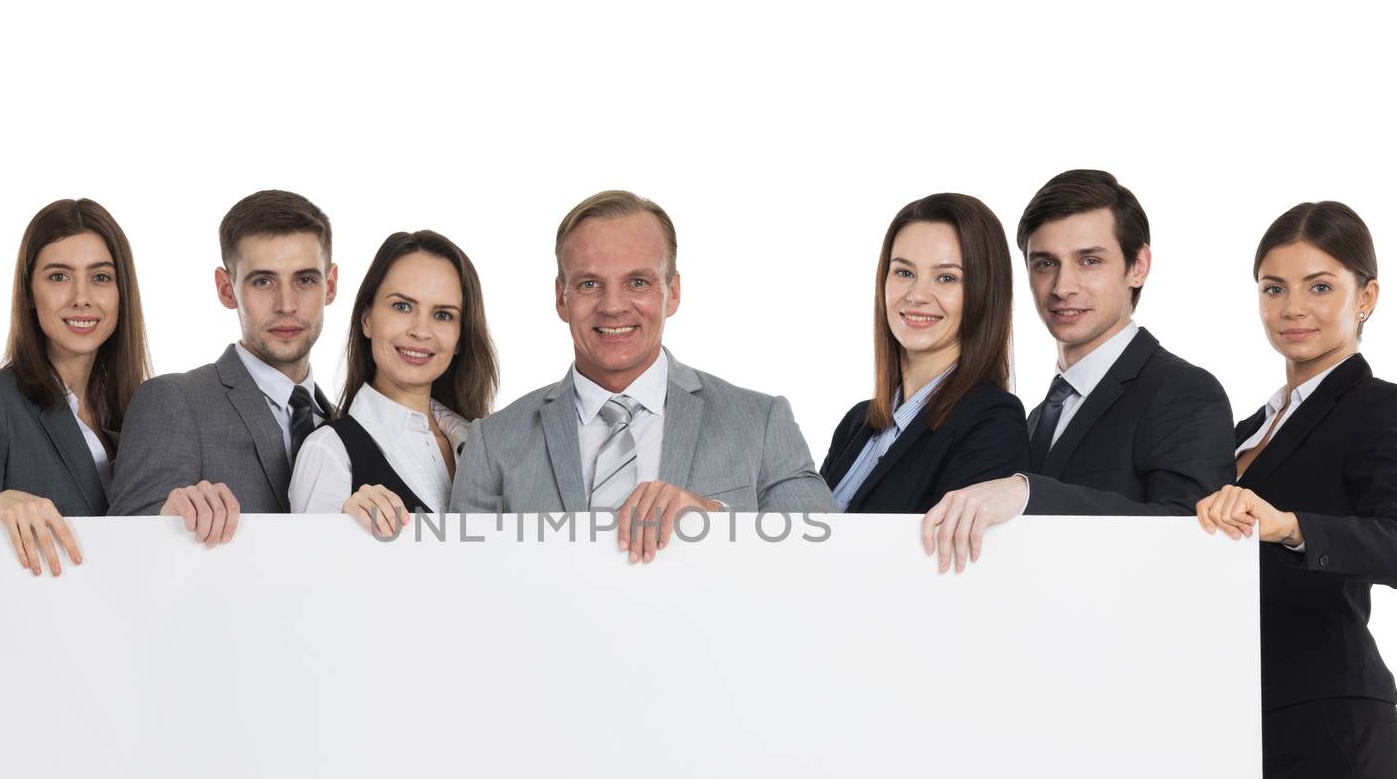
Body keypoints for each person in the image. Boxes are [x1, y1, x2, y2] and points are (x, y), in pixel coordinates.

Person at [1195, 201, 1397, 779]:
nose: (1294, 308)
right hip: (1249, 728)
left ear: (1367, 296)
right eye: (1273, 288)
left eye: (1320, 286)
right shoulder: (1251, 426)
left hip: (1333, 723)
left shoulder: (1375, 407)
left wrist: (1291, 525)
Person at [448, 189, 835, 562]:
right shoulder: (493, 444)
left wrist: (713, 521)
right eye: (589, 284)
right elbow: (465, 590)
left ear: (674, 291)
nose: (613, 306)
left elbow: (826, 553)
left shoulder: (761, 423)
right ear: (560, 298)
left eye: (637, 282)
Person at [920, 169, 1233, 571]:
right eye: (1045, 263)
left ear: (1138, 265)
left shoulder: (1184, 392)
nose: (1062, 286)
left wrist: (1028, 495)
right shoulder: (1036, 416)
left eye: (1089, 261)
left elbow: (1191, 537)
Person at [108, 189, 337, 544]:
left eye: (305, 279)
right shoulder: (173, 402)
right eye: (263, 281)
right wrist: (164, 519)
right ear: (226, 289)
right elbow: (120, 547)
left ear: (331, 285)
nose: (286, 304)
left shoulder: (342, 425)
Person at [0, 198, 152, 574]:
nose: (81, 297)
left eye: (101, 277)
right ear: (28, 292)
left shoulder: (145, 409)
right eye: (59, 276)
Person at [821, 193, 1027, 512]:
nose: (917, 295)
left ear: (983, 294)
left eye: (946, 278)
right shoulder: (857, 424)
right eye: (904, 272)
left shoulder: (993, 422)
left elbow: (948, 558)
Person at [290, 230, 498, 535]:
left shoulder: (485, 444)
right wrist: (343, 532)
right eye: (402, 306)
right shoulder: (329, 453)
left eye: (443, 315)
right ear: (367, 319)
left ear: (459, 339)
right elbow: (310, 577)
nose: (420, 330)